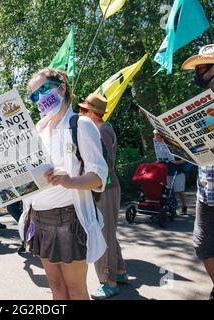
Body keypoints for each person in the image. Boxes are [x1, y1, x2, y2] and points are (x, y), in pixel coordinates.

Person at [156, 44, 214, 300]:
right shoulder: (203, 103)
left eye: (200, 67)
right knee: (204, 247)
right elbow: (194, 147)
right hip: (208, 192)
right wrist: (169, 138)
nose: (196, 73)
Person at [22, 68, 108, 300]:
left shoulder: (80, 124)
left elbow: (99, 176)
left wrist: (70, 181)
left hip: (69, 218)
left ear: (61, 87)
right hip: (38, 217)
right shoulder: (37, 129)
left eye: (43, 89)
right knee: (56, 286)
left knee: (75, 289)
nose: (39, 98)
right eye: (33, 95)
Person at [78, 93, 128, 299]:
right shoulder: (101, 128)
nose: (80, 113)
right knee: (108, 232)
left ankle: (108, 282)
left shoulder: (101, 130)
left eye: (83, 110)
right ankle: (119, 270)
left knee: (101, 235)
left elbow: (104, 165)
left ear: (92, 112)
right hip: (106, 187)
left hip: (105, 188)